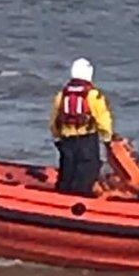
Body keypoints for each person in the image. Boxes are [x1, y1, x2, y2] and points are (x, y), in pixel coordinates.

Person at [49, 57, 114, 196]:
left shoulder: (61, 96)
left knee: (67, 171)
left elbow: (54, 121)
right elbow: (103, 119)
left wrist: (56, 137)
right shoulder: (93, 96)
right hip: (86, 140)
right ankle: (80, 199)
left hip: (66, 141)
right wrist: (107, 137)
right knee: (87, 172)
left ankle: (62, 198)